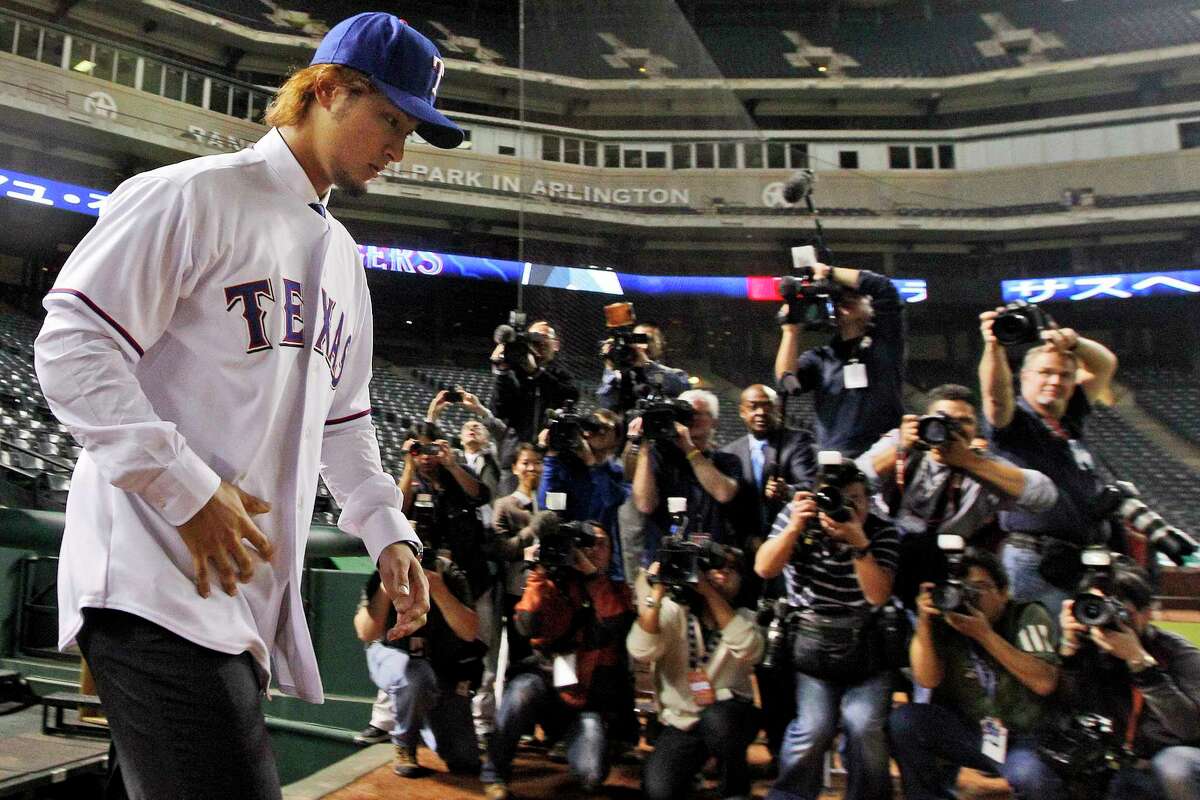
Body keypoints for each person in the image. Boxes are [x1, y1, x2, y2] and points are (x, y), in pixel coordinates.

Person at [32, 13, 454, 798]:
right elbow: (72, 347)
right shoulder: (190, 195)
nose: (399, 147)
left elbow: (348, 422)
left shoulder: (342, 259)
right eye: (389, 119)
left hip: (236, 601)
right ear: (325, 89)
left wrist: (388, 531)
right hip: (152, 582)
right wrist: (184, 489)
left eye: (411, 129)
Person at [754, 461, 899, 800]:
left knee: (863, 725)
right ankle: (790, 794)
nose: (848, 507)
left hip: (867, 645)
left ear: (868, 499)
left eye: (856, 499)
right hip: (813, 645)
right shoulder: (798, 519)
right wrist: (793, 528)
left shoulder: (881, 531)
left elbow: (877, 594)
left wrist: (859, 543)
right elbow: (763, 568)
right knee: (813, 728)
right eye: (837, 498)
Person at [855, 383, 1058, 608]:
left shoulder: (982, 463)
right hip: (881, 556)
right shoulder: (900, 442)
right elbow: (852, 479)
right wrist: (900, 451)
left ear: (976, 429)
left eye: (965, 422)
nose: (952, 429)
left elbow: (1044, 495)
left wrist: (970, 462)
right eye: (943, 419)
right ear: (924, 421)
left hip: (940, 568)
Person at [889, 550, 1065, 800]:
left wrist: (985, 635)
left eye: (980, 588)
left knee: (1030, 776)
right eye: (962, 589)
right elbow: (927, 679)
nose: (970, 597)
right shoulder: (945, 620)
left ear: (1004, 593)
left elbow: (1044, 682)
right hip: (970, 731)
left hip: (1023, 737)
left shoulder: (1027, 615)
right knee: (905, 722)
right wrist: (925, 624)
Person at [978, 309, 1118, 614]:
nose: (1055, 381)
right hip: (1035, 560)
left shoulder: (1069, 417)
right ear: (1024, 376)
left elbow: (1105, 364)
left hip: (1079, 560)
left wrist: (1073, 342)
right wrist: (994, 346)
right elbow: (995, 398)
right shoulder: (1014, 422)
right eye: (1045, 373)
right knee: (1041, 650)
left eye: (1065, 375)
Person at [482, 523, 635, 800]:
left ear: (612, 552)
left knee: (591, 774)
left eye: (601, 544)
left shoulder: (618, 590)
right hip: (547, 686)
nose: (593, 550)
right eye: (588, 544)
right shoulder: (553, 582)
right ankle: (494, 773)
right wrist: (539, 575)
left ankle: (568, 740)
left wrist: (590, 574)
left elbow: (617, 624)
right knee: (520, 691)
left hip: (588, 700)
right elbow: (527, 626)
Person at [628, 547, 764, 800]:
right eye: (714, 567)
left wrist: (708, 591)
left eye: (730, 569)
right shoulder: (673, 611)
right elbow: (641, 649)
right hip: (684, 721)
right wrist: (656, 592)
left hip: (731, 717)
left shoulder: (746, 617)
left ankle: (735, 788)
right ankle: (692, 776)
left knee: (719, 721)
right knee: (658, 789)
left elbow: (750, 650)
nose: (722, 574)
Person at [1057, 564, 1200, 800]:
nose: (1109, 621)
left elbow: (1189, 729)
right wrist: (1069, 651)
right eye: (1097, 609)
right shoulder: (1087, 649)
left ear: (1147, 612)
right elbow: (1067, 707)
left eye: (1123, 613)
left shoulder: (1176, 652)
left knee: (1175, 766)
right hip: (1123, 764)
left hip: (1177, 759)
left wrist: (1140, 664)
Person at [355, 551, 483, 778]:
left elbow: (469, 631)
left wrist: (436, 587)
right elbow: (366, 632)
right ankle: (405, 744)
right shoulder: (385, 569)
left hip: (442, 666)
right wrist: (387, 588)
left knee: (465, 759)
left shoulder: (447, 571)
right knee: (416, 677)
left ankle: (423, 721)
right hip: (393, 656)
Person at [774, 262, 905, 457]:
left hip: (882, 457)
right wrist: (791, 331)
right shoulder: (821, 358)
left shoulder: (886, 341)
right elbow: (786, 382)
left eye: (855, 295)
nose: (846, 299)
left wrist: (829, 272)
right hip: (834, 459)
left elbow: (884, 288)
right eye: (840, 297)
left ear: (873, 309)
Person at [630, 389, 742, 565]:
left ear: (715, 422)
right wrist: (643, 446)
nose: (690, 419)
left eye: (696, 413)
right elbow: (644, 504)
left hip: (712, 562)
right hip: (663, 561)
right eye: (683, 413)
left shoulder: (727, 461)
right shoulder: (658, 457)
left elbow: (723, 493)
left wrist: (689, 447)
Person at [538, 407, 629, 581]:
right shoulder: (566, 467)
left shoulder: (617, 473)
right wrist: (551, 454)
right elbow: (546, 505)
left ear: (617, 438)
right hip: (569, 555)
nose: (598, 431)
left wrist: (592, 463)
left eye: (606, 427)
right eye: (594, 424)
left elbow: (610, 499)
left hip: (603, 560)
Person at [722, 384, 817, 542]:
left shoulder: (798, 441)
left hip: (790, 540)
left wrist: (788, 491)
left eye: (768, 406)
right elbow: (730, 507)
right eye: (753, 407)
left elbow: (810, 484)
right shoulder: (730, 452)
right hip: (747, 546)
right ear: (742, 412)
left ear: (778, 409)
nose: (761, 412)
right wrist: (748, 539)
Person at [491, 319, 578, 444]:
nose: (540, 342)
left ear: (556, 345)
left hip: (549, 450)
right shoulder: (513, 374)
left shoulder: (562, 375)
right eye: (534, 338)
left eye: (545, 337)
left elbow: (571, 396)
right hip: (517, 454)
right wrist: (502, 371)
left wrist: (536, 372)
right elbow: (497, 411)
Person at [597, 321, 690, 413]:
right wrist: (609, 367)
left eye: (649, 339)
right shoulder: (619, 377)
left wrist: (646, 364)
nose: (643, 345)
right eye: (638, 339)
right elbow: (606, 406)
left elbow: (673, 386)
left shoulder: (674, 374)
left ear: (661, 345)